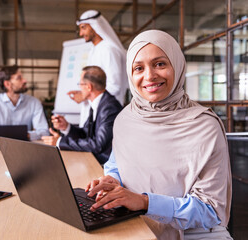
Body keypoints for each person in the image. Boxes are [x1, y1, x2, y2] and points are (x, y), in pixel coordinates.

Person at [85, 30, 232, 239]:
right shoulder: (125, 119)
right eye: (139, 68)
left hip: (192, 234)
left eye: (160, 64)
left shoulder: (204, 126)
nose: (150, 76)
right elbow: (117, 164)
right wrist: (112, 179)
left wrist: (145, 202)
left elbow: (210, 211)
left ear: (177, 65)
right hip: (137, 226)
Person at [42, 66, 122, 165]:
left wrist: (59, 142)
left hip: (106, 165)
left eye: (80, 83)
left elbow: (98, 145)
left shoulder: (109, 107)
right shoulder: (98, 103)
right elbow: (86, 134)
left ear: (89, 87)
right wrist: (67, 127)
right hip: (95, 159)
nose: (79, 87)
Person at [69, 10, 127, 126]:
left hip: (106, 115)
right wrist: (84, 92)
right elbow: (97, 85)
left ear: (95, 26)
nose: (81, 33)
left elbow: (115, 86)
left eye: (83, 28)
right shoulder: (94, 49)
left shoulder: (109, 50)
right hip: (94, 115)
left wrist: (86, 94)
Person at [0, 66, 48, 141]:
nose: (25, 81)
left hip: (24, 150)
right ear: (7, 84)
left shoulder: (34, 103)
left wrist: (23, 135)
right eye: (19, 78)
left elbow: (44, 132)